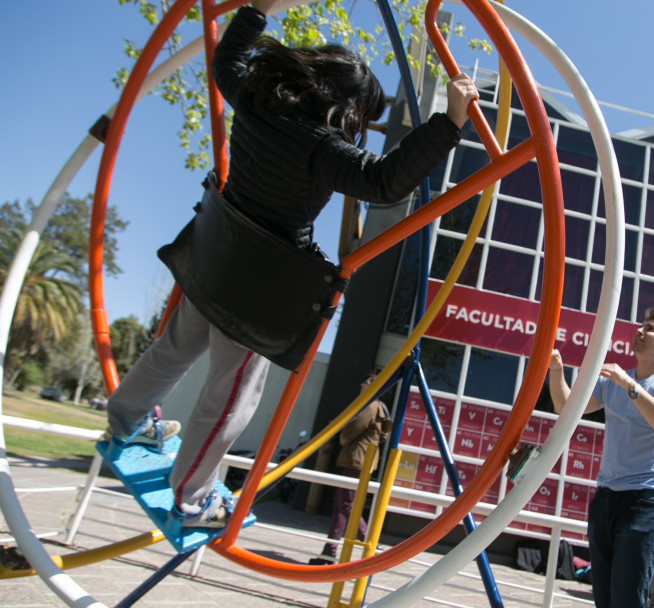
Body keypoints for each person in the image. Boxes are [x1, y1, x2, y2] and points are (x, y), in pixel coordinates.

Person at [102, 0, 478, 529]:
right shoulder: (321, 147)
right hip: (262, 284)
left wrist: (257, 9)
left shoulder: (256, 103)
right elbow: (387, 182)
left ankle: (124, 421)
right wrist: (449, 122)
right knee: (231, 394)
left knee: (173, 348)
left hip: (216, 254)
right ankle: (191, 498)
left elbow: (225, 62)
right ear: (345, 107)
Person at [549, 308, 654, 608]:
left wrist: (629, 387)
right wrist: (555, 370)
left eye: (651, 329)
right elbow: (566, 407)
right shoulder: (615, 381)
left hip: (646, 502)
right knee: (604, 598)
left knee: (627, 599)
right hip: (606, 500)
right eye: (640, 327)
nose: (639, 331)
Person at [309, 373, 391, 564]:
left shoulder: (369, 406)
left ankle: (372, 545)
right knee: (340, 505)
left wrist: (342, 439)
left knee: (346, 504)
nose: (362, 384)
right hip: (362, 460)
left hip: (357, 459)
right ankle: (329, 552)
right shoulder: (379, 407)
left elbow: (350, 431)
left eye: (367, 382)